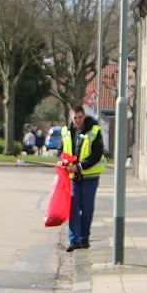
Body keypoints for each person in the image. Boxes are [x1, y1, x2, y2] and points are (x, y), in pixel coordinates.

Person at [61, 105, 105, 253]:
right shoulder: (66, 132)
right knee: (73, 207)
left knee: (87, 209)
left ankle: (84, 238)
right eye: (75, 118)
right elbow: (61, 151)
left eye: (80, 117)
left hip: (90, 176)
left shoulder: (94, 131)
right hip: (73, 177)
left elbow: (97, 154)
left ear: (84, 116)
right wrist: (62, 162)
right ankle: (73, 240)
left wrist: (79, 166)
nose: (77, 120)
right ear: (71, 117)